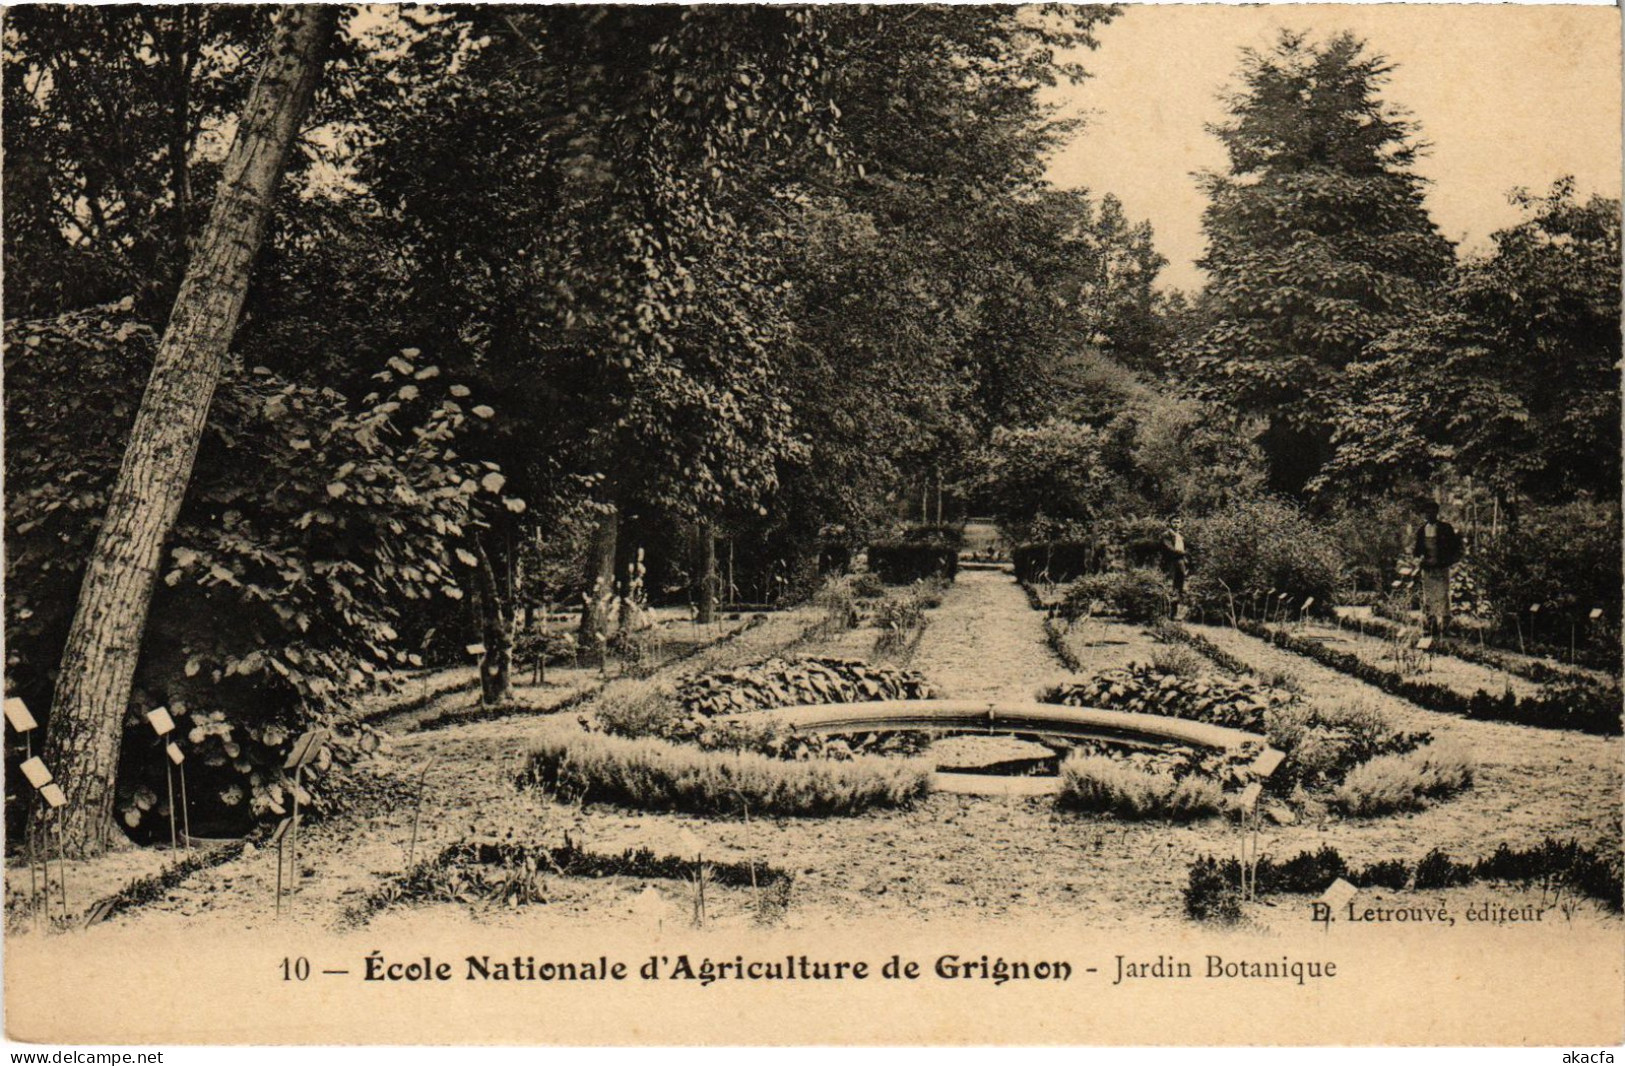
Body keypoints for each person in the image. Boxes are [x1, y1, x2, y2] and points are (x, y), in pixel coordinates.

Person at [1413, 501, 1463, 632]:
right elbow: (1417, 551)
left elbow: (1454, 547)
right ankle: (1431, 624)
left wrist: (1447, 560)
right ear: (1424, 514)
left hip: (1441, 567)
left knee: (1443, 594)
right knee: (1429, 596)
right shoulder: (1421, 531)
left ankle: (1445, 625)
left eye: (1432, 512)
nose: (1429, 515)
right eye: (1427, 512)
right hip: (1428, 568)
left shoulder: (1445, 528)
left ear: (1437, 513)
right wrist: (1421, 559)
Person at [1160, 516, 1189, 616]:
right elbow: (1169, 549)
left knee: (1179, 587)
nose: (1176, 524)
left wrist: (1185, 558)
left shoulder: (1181, 536)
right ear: (1170, 523)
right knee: (1169, 586)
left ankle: (1174, 613)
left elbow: (1186, 549)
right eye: (1174, 522)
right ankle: (1165, 612)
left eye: (1178, 522)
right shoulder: (1166, 535)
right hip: (1170, 563)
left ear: (1181, 524)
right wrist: (1182, 553)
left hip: (1180, 563)